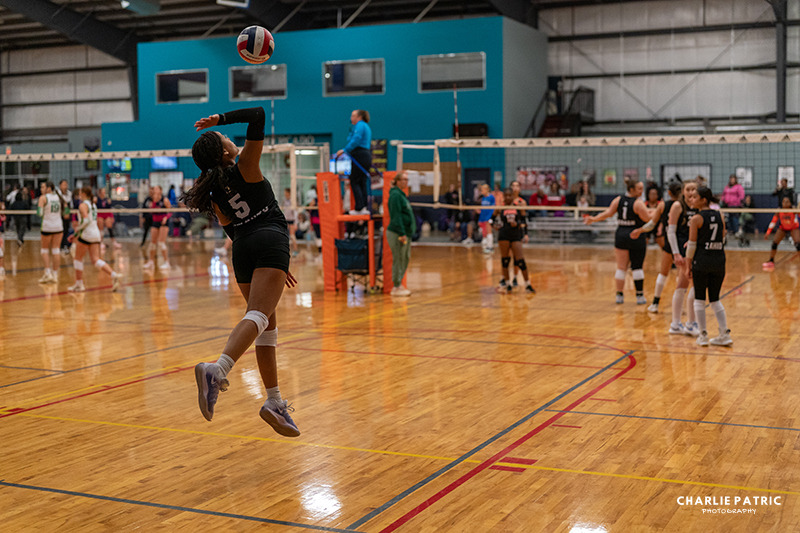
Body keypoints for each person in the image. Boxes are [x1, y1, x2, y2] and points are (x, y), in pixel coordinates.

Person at [186, 106, 299, 437]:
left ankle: (274, 401)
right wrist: (218, 120)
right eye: (226, 138)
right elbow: (259, 115)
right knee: (261, 317)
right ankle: (217, 370)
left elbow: (233, 231)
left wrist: (272, 264)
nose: (231, 139)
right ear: (225, 152)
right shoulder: (246, 165)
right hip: (269, 239)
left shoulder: (214, 193)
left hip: (244, 248)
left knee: (266, 325)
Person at [584, 178, 649, 305]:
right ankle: (639, 296)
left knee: (621, 267)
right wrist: (658, 212)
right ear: (631, 189)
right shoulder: (638, 203)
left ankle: (619, 295)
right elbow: (647, 219)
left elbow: (608, 213)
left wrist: (593, 219)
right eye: (639, 189)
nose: (641, 191)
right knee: (637, 267)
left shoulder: (618, 200)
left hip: (621, 234)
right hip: (636, 235)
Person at [686, 186, 732, 346]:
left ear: (703, 200)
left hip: (702, 261)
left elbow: (691, 246)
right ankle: (724, 334)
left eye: (694, 197)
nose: (691, 200)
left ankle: (703, 335)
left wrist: (687, 265)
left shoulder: (696, 219)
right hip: (719, 260)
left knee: (699, 299)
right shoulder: (720, 214)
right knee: (715, 299)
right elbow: (723, 237)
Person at [631, 181, 683, 313]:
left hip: (669, 243)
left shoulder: (662, 205)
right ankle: (680, 307)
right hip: (682, 243)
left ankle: (655, 303)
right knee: (681, 275)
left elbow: (651, 224)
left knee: (663, 273)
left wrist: (640, 230)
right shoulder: (685, 205)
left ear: (669, 193)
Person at [67, 187, 121, 292]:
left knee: (77, 258)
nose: (79, 195)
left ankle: (79, 284)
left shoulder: (82, 205)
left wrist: (77, 231)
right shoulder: (93, 205)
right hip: (95, 234)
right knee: (95, 260)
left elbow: (86, 220)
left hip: (87, 234)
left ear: (83, 194)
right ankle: (114, 274)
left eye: (79, 193)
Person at [496, 184, 534, 294]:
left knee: (520, 260)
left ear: (512, 196)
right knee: (505, 260)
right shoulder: (500, 207)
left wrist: (518, 225)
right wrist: (494, 225)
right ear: (503, 196)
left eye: (509, 195)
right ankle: (507, 283)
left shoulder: (518, 206)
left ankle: (527, 284)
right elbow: (492, 219)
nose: (508, 197)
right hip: (503, 235)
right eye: (506, 195)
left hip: (515, 235)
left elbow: (523, 221)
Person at [336, 109, 372, 215]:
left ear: (359, 117)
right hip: (365, 154)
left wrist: (344, 150)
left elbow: (356, 139)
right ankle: (364, 206)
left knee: (354, 180)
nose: (351, 118)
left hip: (360, 154)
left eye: (353, 116)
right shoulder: (365, 126)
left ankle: (359, 207)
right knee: (361, 181)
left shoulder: (360, 125)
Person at [386, 170, 416, 297]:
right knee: (399, 258)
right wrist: (402, 233)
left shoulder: (401, 195)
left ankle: (399, 285)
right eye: (403, 179)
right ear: (397, 181)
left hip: (405, 233)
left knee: (405, 258)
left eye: (407, 180)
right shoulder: (395, 196)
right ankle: (396, 286)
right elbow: (396, 216)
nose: (406, 182)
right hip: (398, 233)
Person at [762, 195, 800, 270]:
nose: (785, 203)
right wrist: (768, 232)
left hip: (793, 228)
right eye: (783, 201)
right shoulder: (779, 211)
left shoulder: (793, 210)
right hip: (783, 228)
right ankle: (771, 261)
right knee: (774, 243)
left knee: (798, 245)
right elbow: (773, 221)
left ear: (790, 203)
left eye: (787, 202)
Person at [37, 181, 64, 283]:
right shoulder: (58, 197)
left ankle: (47, 273)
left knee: (44, 250)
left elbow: (40, 213)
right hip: (58, 226)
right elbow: (66, 211)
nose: (41, 189)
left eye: (43, 187)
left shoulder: (43, 198)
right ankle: (55, 275)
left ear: (48, 188)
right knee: (56, 250)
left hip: (47, 227)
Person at [143, 185, 171, 270]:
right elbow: (152, 212)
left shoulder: (164, 200)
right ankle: (151, 262)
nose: (154, 190)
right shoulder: (152, 200)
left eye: (156, 188)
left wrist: (166, 218)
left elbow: (170, 211)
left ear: (160, 190)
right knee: (152, 243)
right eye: (154, 189)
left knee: (161, 243)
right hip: (155, 222)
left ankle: (167, 262)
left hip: (163, 223)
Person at [477, 183, 496, 253]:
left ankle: (490, 247)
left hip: (489, 217)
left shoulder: (491, 197)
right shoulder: (483, 198)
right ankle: (486, 247)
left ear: (487, 190)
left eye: (482, 190)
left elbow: (492, 208)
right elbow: (483, 209)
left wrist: (489, 217)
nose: (481, 191)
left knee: (489, 231)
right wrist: (480, 218)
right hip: (483, 217)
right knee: (484, 233)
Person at [56, 180, 73, 253]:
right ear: (60, 186)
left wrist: (68, 212)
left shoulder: (69, 194)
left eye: (66, 184)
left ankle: (64, 246)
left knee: (66, 230)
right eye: (63, 185)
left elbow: (70, 205)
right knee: (60, 231)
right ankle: (59, 246)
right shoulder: (57, 194)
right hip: (58, 215)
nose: (65, 186)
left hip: (67, 214)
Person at [282, 187, 298, 257]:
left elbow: (295, 213)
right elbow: (284, 211)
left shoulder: (292, 201)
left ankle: (295, 250)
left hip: (292, 220)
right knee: (285, 236)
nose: (285, 194)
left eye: (286, 193)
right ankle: (287, 251)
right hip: (286, 220)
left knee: (292, 236)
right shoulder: (284, 201)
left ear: (289, 193)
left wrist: (295, 223)